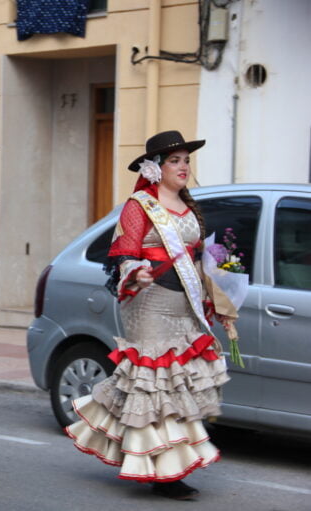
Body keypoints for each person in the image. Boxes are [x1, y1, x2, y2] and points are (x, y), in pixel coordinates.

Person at [64, 131, 232, 501]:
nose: (184, 167)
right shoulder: (139, 205)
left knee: (178, 385)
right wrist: (133, 271)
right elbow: (124, 252)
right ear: (155, 168)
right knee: (155, 381)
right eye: (175, 161)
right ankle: (163, 472)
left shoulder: (188, 206)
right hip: (149, 303)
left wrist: (222, 296)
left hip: (183, 304)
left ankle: (164, 463)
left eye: (186, 160)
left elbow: (201, 258)